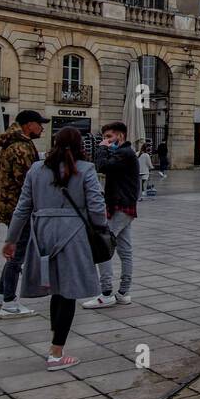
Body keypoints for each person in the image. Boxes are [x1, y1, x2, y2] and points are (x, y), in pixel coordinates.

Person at [2, 126, 108, 370]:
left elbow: (22, 207)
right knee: (67, 293)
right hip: (73, 234)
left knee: (56, 291)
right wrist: (100, 227)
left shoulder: (37, 169)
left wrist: (11, 239)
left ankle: (55, 345)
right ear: (81, 144)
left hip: (42, 234)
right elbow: (96, 206)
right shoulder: (85, 169)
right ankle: (56, 353)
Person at [0, 109, 48, 318]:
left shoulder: (13, 143)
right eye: (40, 124)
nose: (42, 128)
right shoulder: (21, 147)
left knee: (15, 252)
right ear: (29, 125)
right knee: (16, 254)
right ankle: (10, 303)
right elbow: (27, 182)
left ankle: (0, 295)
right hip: (18, 207)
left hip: (8, 205)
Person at [82, 122, 139, 309]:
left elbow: (101, 166)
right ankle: (123, 292)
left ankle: (106, 293)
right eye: (104, 137)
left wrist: (100, 148)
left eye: (109, 137)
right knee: (124, 250)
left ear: (120, 136)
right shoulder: (125, 153)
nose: (106, 141)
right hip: (124, 206)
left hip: (120, 206)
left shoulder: (124, 153)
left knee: (103, 246)